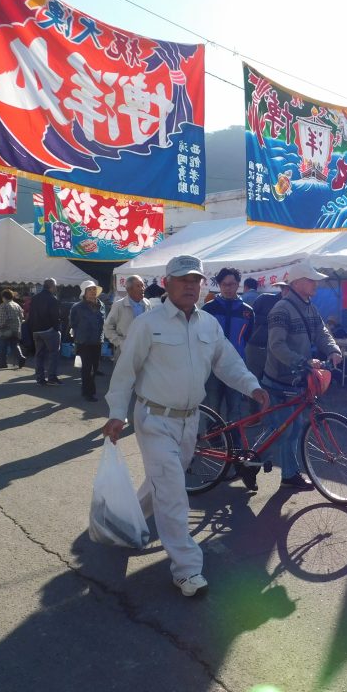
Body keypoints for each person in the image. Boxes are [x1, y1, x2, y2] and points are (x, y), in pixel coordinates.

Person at [103, 255, 268, 597]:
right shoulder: (148, 324)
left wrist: (252, 386)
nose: (191, 285)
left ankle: (124, 523)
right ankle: (187, 569)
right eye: (182, 279)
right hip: (154, 419)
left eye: (196, 280)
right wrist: (117, 412)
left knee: (162, 483)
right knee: (174, 493)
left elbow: (228, 362)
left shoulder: (209, 324)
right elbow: (126, 372)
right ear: (166, 283)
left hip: (190, 420)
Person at [261, 260, 343, 490]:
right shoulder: (281, 309)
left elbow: (322, 332)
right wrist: (303, 361)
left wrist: (333, 350)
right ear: (297, 282)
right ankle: (282, 472)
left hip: (299, 378)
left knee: (290, 427)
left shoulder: (310, 307)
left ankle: (273, 466)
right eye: (311, 280)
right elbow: (276, 346)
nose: (316, 284)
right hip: (280, 379)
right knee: (287, 428)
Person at [202, 267, 254, 421]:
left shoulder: (247, 311)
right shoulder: (208, 308)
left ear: (238, 284)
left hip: (236, 367)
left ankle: (234, 443)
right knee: (213, 410)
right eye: (224, 284)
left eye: (231, 284)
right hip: (213, 367)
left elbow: (247, 337)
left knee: (235, 411)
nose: (228, 288)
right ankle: (215, 444)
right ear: (219, 285)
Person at [70, 280, 106, 402]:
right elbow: (72, 323)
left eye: (94, 290)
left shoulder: (102, 305)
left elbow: (103, 323)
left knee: (95, 368)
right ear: (84, 293)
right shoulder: (77, 307)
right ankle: (89, 393)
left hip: (97, 342)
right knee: (87, 368)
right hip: (83, 342)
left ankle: (87, 390)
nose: (93, 292)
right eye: (90, 290)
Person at [245, 281, 289, 381]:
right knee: (252, 382)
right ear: (282, 288)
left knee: (270, 383)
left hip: (277, 352)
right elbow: (250, 318)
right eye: (287, 289)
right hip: (256, 347)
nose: (290, 292)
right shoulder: (264, 298)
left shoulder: (293, 306)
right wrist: (273, 320)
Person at [104, 275, 153, 361]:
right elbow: (108, 327)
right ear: (129, 289)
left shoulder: (147, 303)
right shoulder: (119, 305)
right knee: (124, 374)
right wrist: (120, 343)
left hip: (144, 349)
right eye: (138, 286)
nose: (142, 288)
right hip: (124, 350)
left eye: (143, 285)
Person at [31, 278, 63, 386]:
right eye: (55, 286)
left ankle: (40, 379)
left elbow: (30, 314)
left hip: (36, 330)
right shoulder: (52, 299)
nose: (56, 288)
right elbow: (55, 316)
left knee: (39, 355)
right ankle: (52, 378)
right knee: (53, 354)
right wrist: (56, 328)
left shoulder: (35, 298)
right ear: (52, 286)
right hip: (49, 330)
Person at [0, 289, 26, 369]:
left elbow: (3, 319)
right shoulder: (17, 305)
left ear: (3, 297)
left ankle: (2, 363)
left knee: (2, 347)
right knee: (14, 345)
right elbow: (22, 317)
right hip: (16, 328)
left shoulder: (3, 305)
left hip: (6, 329)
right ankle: (21, 357)